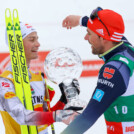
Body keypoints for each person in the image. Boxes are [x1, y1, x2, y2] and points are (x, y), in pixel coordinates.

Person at [61, 7, 134, 134]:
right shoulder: (124, 46)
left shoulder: (114, 71)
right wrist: (80, 20)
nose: (86, 38)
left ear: (103, 38)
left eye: (89, 33)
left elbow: (88, 117)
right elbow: (112, 28)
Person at [0, 22, 80, 134]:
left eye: (37, 39)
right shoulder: (5, 81)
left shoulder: (38, 78)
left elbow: (43, 119)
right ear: (16, 44)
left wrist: (63, 100)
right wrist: (58, 116)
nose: (38, 44)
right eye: (32, 40)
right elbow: (22, 116)